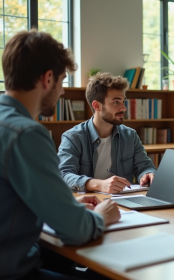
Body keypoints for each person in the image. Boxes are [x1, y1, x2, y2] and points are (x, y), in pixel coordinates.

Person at [0, 30, 120, 280]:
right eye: (62, 81)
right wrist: (99, 218)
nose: (63, 92)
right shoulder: (27, 134)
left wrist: (64, 205)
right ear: (47, 78)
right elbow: (75, 231)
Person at [57, 72, 157, 194]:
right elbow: (63, 175)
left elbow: (145, 166)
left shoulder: (130, 136)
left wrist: (149, 174)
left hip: (126, 203)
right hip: (90, 205)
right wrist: (99, 184)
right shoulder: (73, 137)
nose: (123, 108)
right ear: (97, 106)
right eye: (116, 102)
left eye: (123, 101)